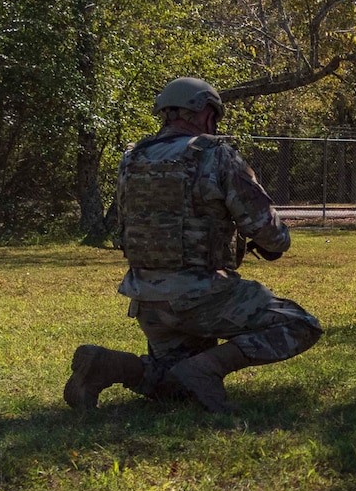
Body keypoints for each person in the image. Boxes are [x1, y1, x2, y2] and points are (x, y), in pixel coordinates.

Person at [62, 78, 322, 415]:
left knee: (174, 386)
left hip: (147, 301)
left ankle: (107, 365)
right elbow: (272, 235)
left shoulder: (133, 158)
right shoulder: (215, 156)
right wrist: (270, 243)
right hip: (201, 297)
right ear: (204, 113)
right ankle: (206, 369)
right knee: (301, 325)